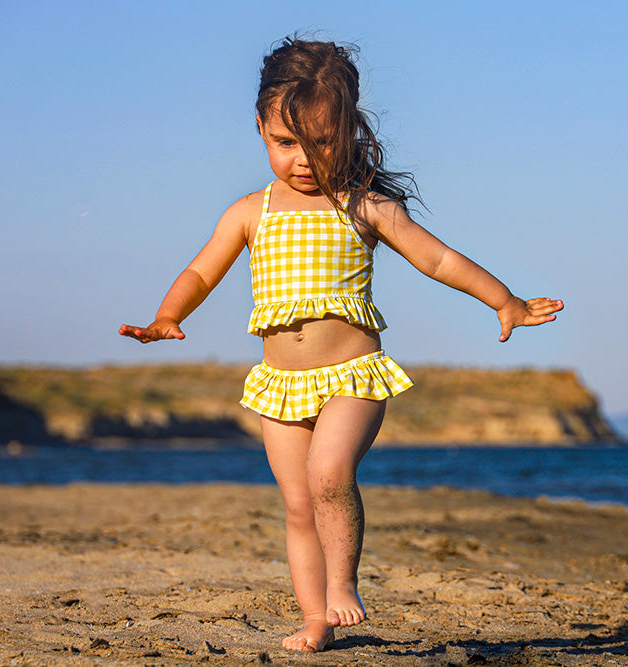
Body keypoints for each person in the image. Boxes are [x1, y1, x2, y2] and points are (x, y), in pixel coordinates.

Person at [119, 37, 563, 653]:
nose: (303, 158)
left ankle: (344, 583)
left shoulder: (364, 205)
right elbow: (201, 272)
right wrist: (167, 315)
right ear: (260, 130)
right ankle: (314, 621)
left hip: (352, 375)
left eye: (322, 142)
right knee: (299, 506)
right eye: (285, 142)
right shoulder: (250, 212)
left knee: (330, 474)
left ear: (349, 133)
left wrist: (504, 300)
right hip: (280, 386)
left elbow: (436, 259)